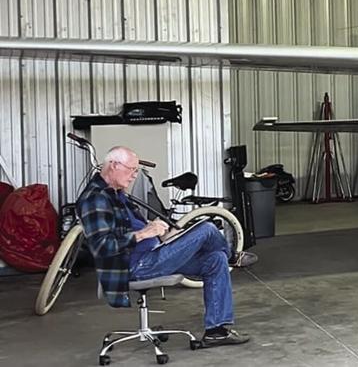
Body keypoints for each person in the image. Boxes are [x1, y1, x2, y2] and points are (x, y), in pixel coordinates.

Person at [76, 146, 257, 348]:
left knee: (216, 259)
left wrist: (163, 234)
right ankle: (233, 256)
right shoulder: (95, 198)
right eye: (131, 170)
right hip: (133, 267)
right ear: (114, 165)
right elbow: (102, 247)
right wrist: (145, 233)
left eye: (136, 171)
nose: (134, 176)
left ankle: (217, 331)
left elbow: (132, 228)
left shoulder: (116, 194)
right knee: (206, 229)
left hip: (151, 255)